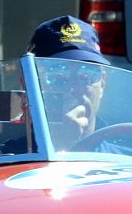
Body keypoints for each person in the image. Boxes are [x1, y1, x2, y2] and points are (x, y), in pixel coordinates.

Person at [25, 15, 109, 148]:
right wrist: (60, 144)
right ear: (28, 85)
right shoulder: (3, 161)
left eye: (86, 75)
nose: (75, 88)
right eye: (58, 76)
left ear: (102, 84)